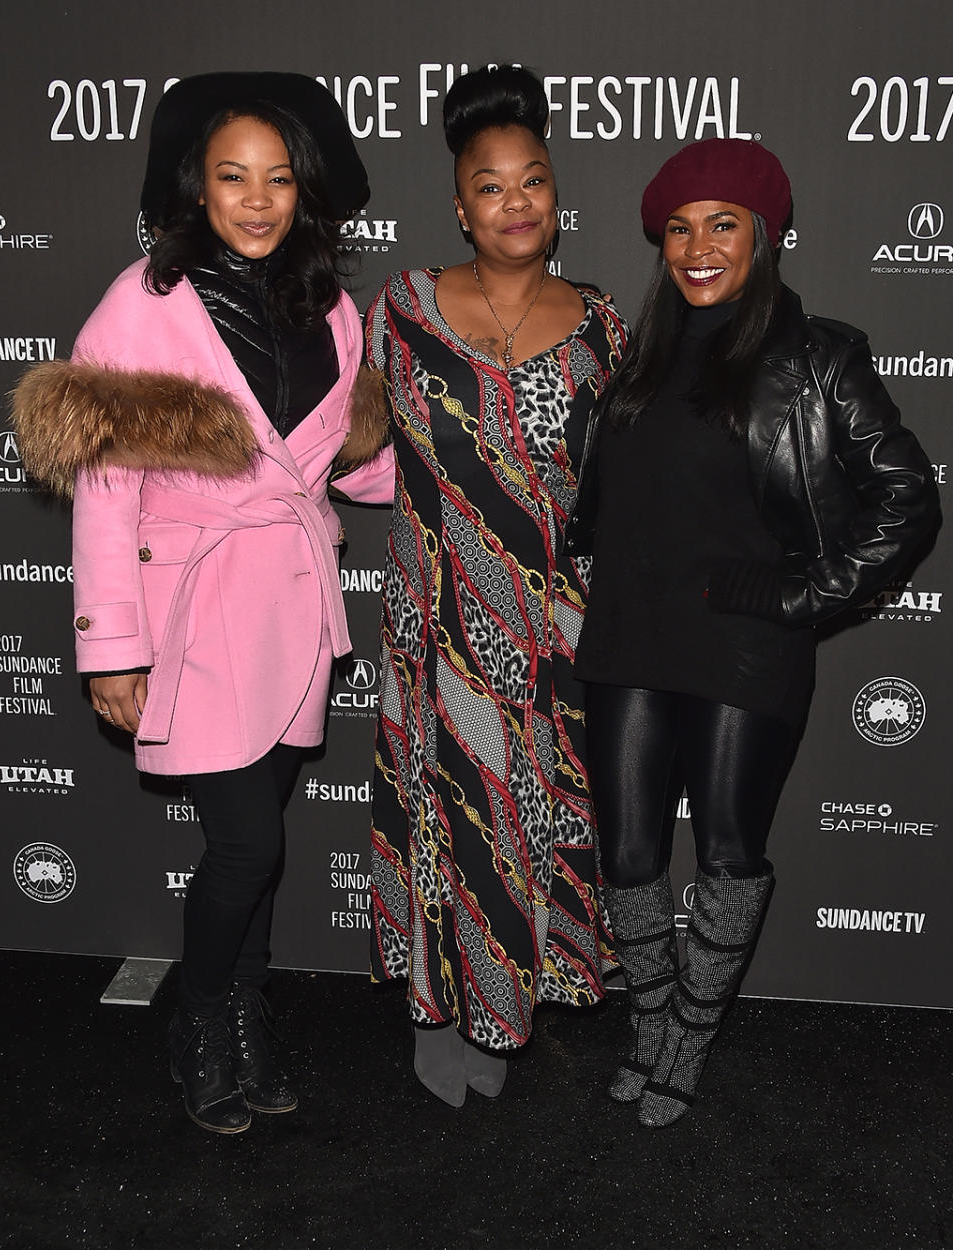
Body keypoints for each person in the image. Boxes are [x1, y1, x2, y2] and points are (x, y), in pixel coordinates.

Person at [11, 72, 393, 1134]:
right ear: (196, 186)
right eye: (234, 177)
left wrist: (462, 466)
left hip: (295, 609)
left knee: (262, 827)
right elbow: (103, 488)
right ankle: (198, 1013)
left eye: (278, 178)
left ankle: (243, 1013)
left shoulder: (332, 305)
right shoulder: (144, 302)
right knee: (247, 847)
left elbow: (345, 464)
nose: (258, 198)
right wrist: (110, 649)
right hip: (197, 613)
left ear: (305, 191)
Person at [567, 137, 940, 1128]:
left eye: (722, 224)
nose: (698, 246)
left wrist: (803, 596)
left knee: (728, 850)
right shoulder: (635, 359)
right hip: (629, 634)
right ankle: (651, 1024)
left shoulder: (820, 358)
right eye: (681, 229)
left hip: (744, 639)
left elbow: (907, 498)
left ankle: (687, 1042)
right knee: (631, 851)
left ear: (763, 238)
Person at [367, 65, 627, 1107]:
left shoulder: (604, 325)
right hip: (434, 613)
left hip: (555, 622)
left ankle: (510, 1000)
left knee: (528, 811)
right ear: (458, 202)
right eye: (491, 185)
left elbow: (627, 480)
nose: (515, 203)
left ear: (556, 195)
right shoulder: (405, 308)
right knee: (441, 808)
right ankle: (438, 1009)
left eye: (534, 182)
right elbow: (334, 442)